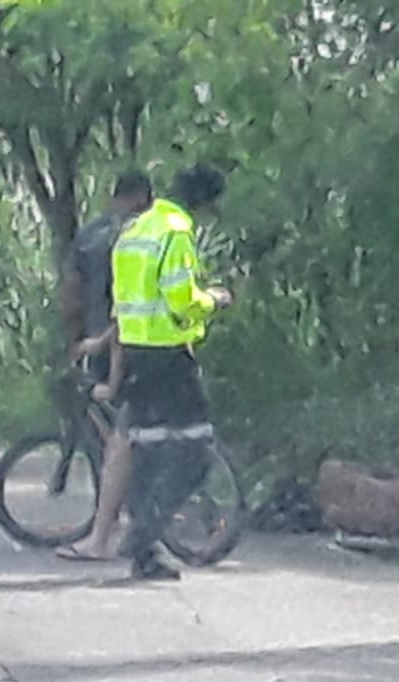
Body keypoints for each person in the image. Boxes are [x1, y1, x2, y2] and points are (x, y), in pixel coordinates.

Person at [109, 163, 234, 581]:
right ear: (204, 203)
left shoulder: (137, 228)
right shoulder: (176, 231)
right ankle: (144, 532)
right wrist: (213, 300)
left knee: (147, 450)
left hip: (135, 352)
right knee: (196, 452)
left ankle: (145, 555)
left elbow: (122, 299)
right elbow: (181, 300)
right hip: (168, 355)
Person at [55, 169, 153, 562]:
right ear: (145, 197)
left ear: (116, 196)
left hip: (103, 340)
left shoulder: (92, 235)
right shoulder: (151, 235)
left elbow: (70, 292)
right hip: (146, 340)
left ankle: (106, 525)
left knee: (112, 435)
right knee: (129, 425)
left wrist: (75, 338)